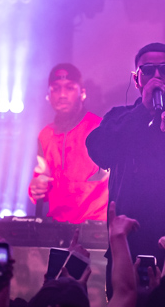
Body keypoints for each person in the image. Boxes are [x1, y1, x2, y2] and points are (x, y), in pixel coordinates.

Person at [86, 42, 165, 290]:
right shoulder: (119, 118)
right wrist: (144, 110)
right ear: (136, 79)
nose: (157, 76)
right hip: (127, 244)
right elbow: (99, 149)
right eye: (148, 70)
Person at [29, 63, 108, 223]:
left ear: (82, 93)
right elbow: (42, 179)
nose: (62, 94)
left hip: (96, 226)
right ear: (48, 95)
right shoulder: (45, 135)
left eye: (70, 88)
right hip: (58, 226)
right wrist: (36, 188)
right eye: (56, 88)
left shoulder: (100, 129)